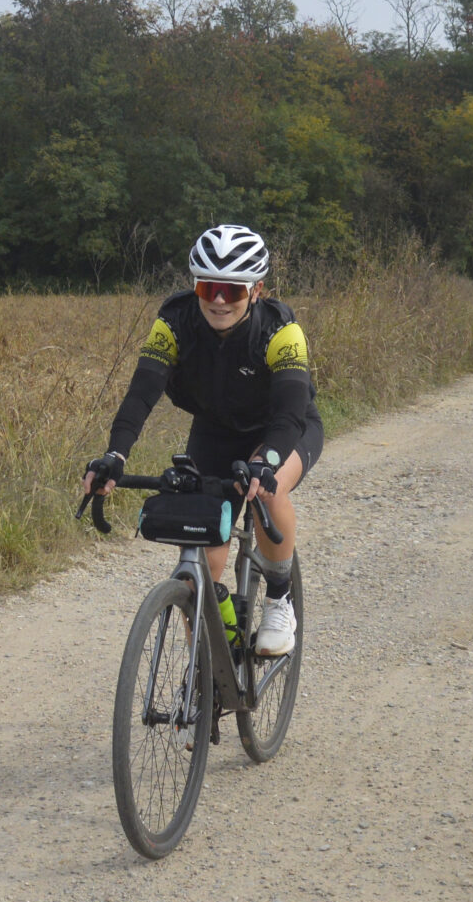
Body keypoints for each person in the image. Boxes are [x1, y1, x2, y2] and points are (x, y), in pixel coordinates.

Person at [83, 223, 319, 657]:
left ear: (257, 290)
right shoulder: (174, 322)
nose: (218, 300)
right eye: (208, 287)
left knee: (267, 493)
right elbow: (141, 394)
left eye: (232, 290)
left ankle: (279, 599)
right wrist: (115, 454)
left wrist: (265, 461)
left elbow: (289, 414)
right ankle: (206, 671)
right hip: (215, 431)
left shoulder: (281, 331)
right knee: (199, 574)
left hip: (283, 430)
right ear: (195, 286)